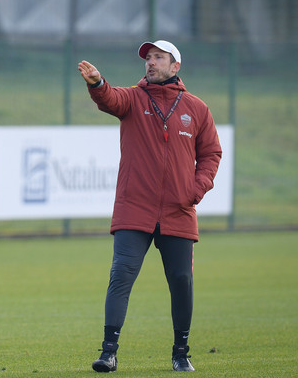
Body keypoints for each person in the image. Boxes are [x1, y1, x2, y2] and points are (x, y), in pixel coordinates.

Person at [78, 40, 222, 373]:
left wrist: (195, 189)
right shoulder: (132, 97)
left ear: (176, 67)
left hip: (179, 211)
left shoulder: (197, 109)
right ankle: (108, 352)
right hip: (134, 209)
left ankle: (181, 352)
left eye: (159, 57)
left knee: (181, 281)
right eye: (148, 58)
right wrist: (98, 84)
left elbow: (212, 154)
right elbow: (109, 99)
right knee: (120, 275)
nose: (150, 62)